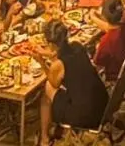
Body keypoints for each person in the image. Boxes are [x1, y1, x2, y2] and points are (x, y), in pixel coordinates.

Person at [39, 18, 108, 146]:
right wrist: (47, 54)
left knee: (46, 90)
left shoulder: (59, 65)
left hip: (83, 115)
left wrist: (41, 61)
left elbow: (54, 82)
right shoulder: (77, 46)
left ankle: (44, 138)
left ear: (51, 44)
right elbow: (63, 54)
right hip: (102, 104)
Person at [92, 0, 125, 82]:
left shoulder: (106, 41)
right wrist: (94, 18)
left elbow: (97, 66)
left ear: (104, 17)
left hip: (114, 78)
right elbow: (109, 27)